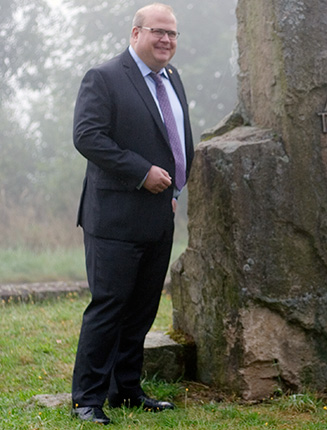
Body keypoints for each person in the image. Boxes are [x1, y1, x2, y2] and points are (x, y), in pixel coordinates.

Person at [71, 3, 194, 425]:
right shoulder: (103, 77)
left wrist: (173, 189)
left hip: (159, 216)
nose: (167, 40)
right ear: (136, 33)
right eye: (159, 32)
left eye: (173, 34)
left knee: (141, 311)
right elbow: (88, 137)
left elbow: (174, 140)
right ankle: (88, 399)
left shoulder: (172, 78)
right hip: (114, 218)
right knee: (109, 307)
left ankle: (126, 389)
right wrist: (142, 173)